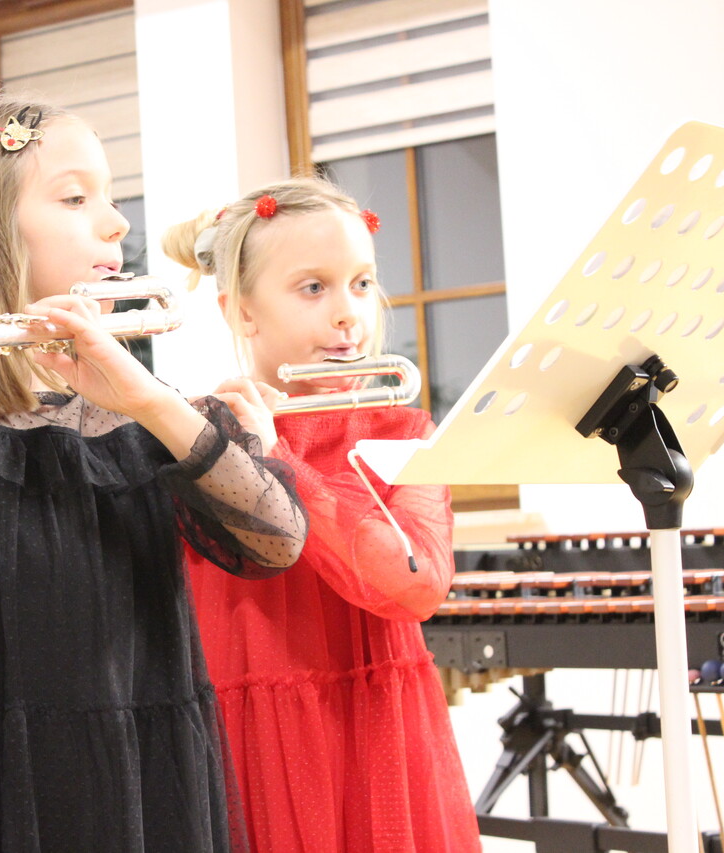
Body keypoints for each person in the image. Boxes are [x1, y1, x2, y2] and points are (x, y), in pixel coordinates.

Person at [0, 93, 309, 852]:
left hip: (145, 777)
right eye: (76, 198)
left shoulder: (141, 410)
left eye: (109, 196)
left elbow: (276, 540)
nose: (116, 223)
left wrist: (152, 401)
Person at [164, 177, 481, 852]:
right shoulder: (197, 440)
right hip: (249, 744)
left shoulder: (403, 434)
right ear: (241, 311)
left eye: (361, 284)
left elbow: (418, 584)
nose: (348, 313)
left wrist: (283, 462)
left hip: (379, 735)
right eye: (314, 287)